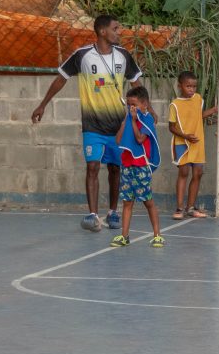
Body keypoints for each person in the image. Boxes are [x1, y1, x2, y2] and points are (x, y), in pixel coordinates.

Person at [31, 14, 143, 232]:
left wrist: (146, 110)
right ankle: (92, 215)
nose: (119, 32)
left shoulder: (123, 56)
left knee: (115, 169)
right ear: (103, 31)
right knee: (92, 166)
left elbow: (135, 82)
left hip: (118, 125)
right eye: (116, 28)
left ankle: (112, 212)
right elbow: (61, 78)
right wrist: (43, 104)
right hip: (92, 125)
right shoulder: (82, 56)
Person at [110, 86, 163, 248]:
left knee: (148, 201)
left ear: (144, 104)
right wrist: (125, 121)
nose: (131, 108)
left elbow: (140, 139)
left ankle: (157, 235)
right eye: (128, 105)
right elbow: (118, 140)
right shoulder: (128, 119)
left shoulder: (146, 120)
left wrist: (133, 120)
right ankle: (124, 236)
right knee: (127, 201)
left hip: (140, 166)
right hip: (127, 165)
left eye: (134, 104)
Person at [168, 71, 217, 219]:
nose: (191, 89)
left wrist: (214, 110)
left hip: (197, 143)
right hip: (182, 143)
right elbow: (171, 127)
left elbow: (198, 116)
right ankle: (179, 208)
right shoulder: (175, 105)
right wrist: (185, 136)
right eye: (188, 86)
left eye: (194, 86)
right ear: (180, 86)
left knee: (198, 173)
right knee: (183, 173)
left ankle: (190, 207)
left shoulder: (198, 99)